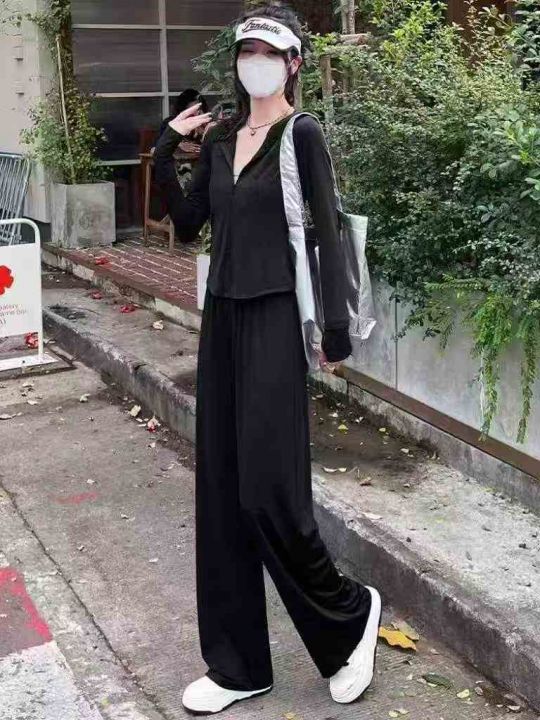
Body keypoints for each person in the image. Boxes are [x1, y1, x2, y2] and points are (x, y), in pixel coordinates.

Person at [153, 4, 382, 715]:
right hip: (222, 319)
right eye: (246, 50)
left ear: (292, 64)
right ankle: (238, 665)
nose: (254, 61)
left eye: (268, 52)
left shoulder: (300, 133)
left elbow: (327, 230)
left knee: (269, 492)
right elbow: (188, 223)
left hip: (276, 318)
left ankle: (349, 619)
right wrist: (165, 150)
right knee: (222, 494)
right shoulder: (222, 140)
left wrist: (337, 333)